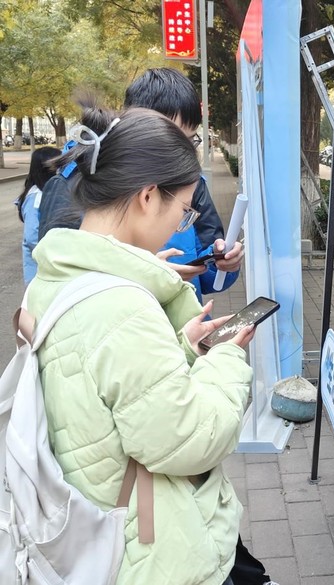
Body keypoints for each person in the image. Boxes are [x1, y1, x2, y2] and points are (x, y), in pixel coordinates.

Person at [26, 103, 254, 585]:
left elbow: (105, 389)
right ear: (148, 196)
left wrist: (182, 348)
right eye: (183, 209)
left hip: (96, 518)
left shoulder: (55, 276)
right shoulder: (122, 307)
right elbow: (191, 438)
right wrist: (227, 357)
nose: (181, 223)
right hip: (149, 553)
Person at [37, 67, 242, 301]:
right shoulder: (76, 182)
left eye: (189, 141)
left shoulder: (191, 185)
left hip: (183, 322)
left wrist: (223, 263)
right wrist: (147, 274)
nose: (182, 153)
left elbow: (209, 271)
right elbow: (55, 283)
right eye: (171, 137)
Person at [15, 146, 60, 284]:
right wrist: (54, 255)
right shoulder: (36, 197)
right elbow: (32, 237)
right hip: (39, 271)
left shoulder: (48, 192)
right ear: (47, 169)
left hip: (47, 269)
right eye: (59, 166)